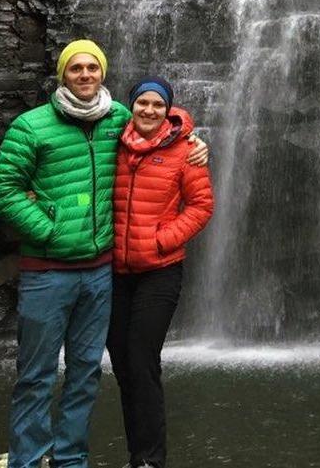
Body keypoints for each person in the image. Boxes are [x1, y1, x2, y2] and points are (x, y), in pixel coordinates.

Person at [0, 40, 208, 468]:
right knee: (36, 374)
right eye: (77, 68)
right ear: (63, 74)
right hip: (50, 269)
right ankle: (28, 459)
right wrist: (48, 230)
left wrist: (193, 136)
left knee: (86, 373)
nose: (86, 75)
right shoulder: (31, 126)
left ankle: (73, 458)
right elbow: (3, 188)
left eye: (93, 67)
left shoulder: (118, 119)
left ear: (103, 73)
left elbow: (165, 122)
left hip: (100, 271)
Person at [107, 76, 214, 468]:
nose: (149, 111)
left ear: (168, 109)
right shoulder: (112, 143)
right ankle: (138, 455)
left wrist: (160, 240)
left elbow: (201, 206)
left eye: (157, 105)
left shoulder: (187, 150)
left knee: (141, 358)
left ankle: (150, 459)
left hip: (159, 271)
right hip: (115, 271)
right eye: (142, 103)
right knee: (121, 363)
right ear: (131, 105)